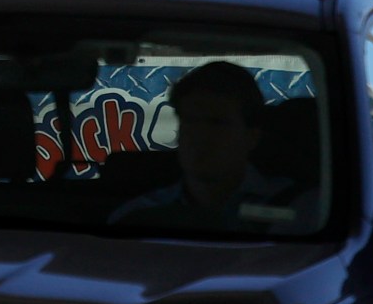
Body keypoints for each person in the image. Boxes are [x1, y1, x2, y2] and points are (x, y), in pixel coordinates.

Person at [111, 61, 294, 229]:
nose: (200, 135)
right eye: (190, 121)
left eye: (217, 123)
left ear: (251, 137)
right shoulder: (138, 218)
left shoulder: (296, 207)